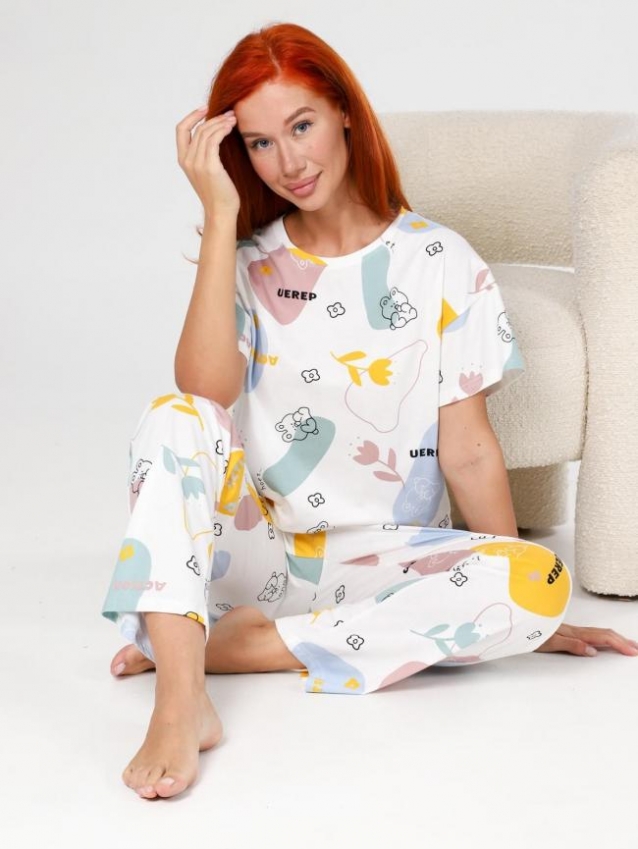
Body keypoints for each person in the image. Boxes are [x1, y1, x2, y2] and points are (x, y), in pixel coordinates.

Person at [102, 22, 638, 801]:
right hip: (260, 556)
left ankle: (228, 648)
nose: (288, 162)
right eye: (259, 143)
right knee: (173, 416)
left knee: (540, 577)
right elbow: (204, 391)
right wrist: (220, 218)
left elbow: (469, 451)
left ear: (346, 113)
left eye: (302, 126)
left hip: (389, 564)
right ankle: (182, 701)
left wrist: (521, 606)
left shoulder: (440, 261)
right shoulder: (247, 260)